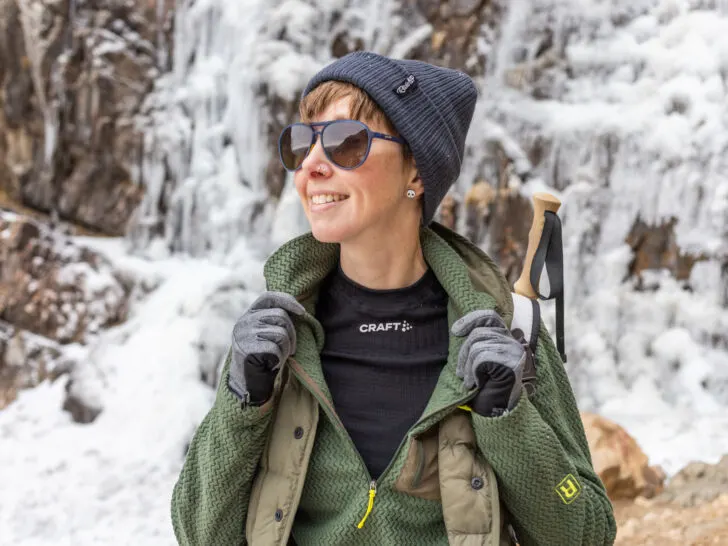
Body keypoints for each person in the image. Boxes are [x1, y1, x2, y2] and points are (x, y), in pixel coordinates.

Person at [170, 51, 617, 546]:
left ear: (417, 173)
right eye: (303, 143)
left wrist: (508, 422)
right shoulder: (276, 335)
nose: (311, 166)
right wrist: (243, 403)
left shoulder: (506, 331)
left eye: (345, 143)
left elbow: (589, 534)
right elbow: (196, 533)